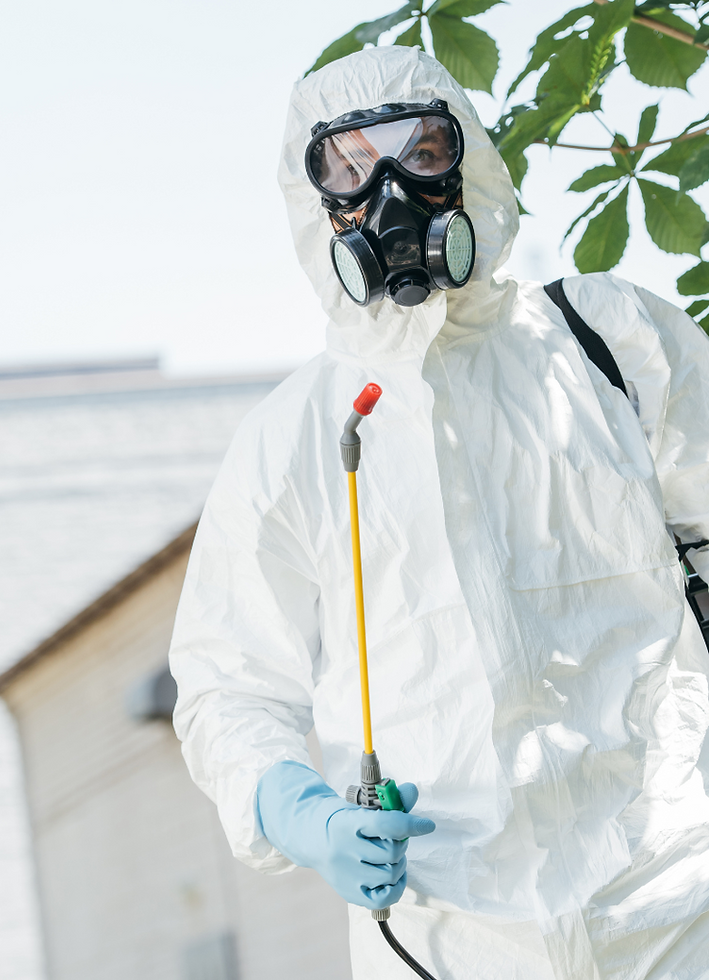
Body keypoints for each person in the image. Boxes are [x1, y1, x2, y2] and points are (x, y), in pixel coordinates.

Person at [168, 44, 709, 980]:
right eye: (348, 169)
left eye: (418, 155)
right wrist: (302, 811)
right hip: (448, 938)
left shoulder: (606, 343)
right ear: (317, 205)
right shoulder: (294, 439)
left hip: (674, 897)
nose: (389, 194)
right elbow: (229, 687)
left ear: (469, 165)